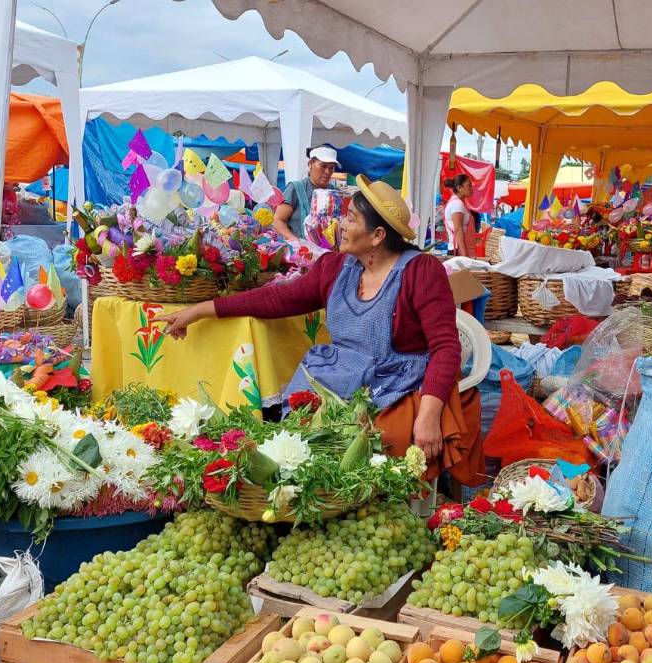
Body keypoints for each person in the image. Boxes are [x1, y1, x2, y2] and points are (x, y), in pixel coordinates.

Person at [158, 176, 485, 486]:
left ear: (377, 236)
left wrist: (429, 415)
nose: (341, 224)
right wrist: (201, 311)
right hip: (335, 378)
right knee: (293, 443)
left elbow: (445, 347)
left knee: (365, 452)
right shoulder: (335, 267)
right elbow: (277, 298)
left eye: (352, 219)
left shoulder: (421, 272)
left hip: (394, 384)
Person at [273, 145, 340, 241]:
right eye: (323, 166)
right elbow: (278, 220)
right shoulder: (296, 188)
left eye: (331, 168)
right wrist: (295, 240)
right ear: (310, 164)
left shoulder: (335, 193)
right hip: (301, 252)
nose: (327, 171)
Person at [443, 174, 474, 256]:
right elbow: (458, 229)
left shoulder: (458, 203)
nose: (472, 188)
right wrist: (464, 254)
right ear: (459, 188)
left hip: (458, 248)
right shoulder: (457, 204)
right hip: (458, 250)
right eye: (469, 186)